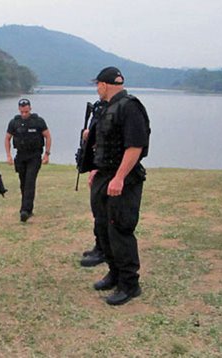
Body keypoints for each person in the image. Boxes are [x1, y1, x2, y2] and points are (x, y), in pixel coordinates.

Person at [88, 67, 150, 305]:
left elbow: (135, 146)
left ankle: (129, 284)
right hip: (105, 174)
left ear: (104, 84)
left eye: (97, 85)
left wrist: (119, 177)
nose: (97, 89)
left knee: (120, 229)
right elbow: (104, 144)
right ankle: (114, 273)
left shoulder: (130, 107)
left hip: (123, 177)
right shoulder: (107, 107)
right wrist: (96, 169)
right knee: (103, 226)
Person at [4, 98, 52, 222]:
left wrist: (46, 154)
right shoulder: (14, 122)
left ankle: (25, 210)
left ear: (30, 108)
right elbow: (7, 138)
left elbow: (47, 136)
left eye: (26, 111)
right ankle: (27, 208)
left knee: (30, 181)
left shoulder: (38, 121)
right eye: (22, 112)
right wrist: (8, 155)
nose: (24, 114)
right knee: (23, 182)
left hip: (34, 156)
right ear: (19, 110)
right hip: (21, 156)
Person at [79, 100, 108, 267]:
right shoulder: (98, 108)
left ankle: (103, 250)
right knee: (97, 210)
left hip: (104, 168)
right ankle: (99, 245)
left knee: (103, 212)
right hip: (97, 165)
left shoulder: (114, 110)